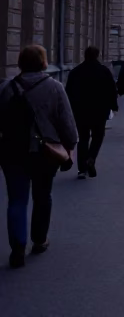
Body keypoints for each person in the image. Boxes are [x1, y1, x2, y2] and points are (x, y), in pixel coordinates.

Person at [0, 45, 78, 268]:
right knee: (43, 196)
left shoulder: (6, 87)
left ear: (20, 63)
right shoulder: (54, 87)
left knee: (16, 199)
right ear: (44, 63)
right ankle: (39, 239)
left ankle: (17, 247)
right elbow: (66, 121)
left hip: (12, 151)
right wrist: (70, 145)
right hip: (44, 152)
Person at [64, 46, 118, 179]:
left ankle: (82, 169)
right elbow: (111, 90)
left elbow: (68, 92)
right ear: (97, 55)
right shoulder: (104, 71)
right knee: (98, 136)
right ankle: (91, 157)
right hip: (99, 111)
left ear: (84, 55)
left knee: (83, 138)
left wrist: (70, 109)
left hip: (80, 111)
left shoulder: (76, 72)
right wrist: (113, 105)